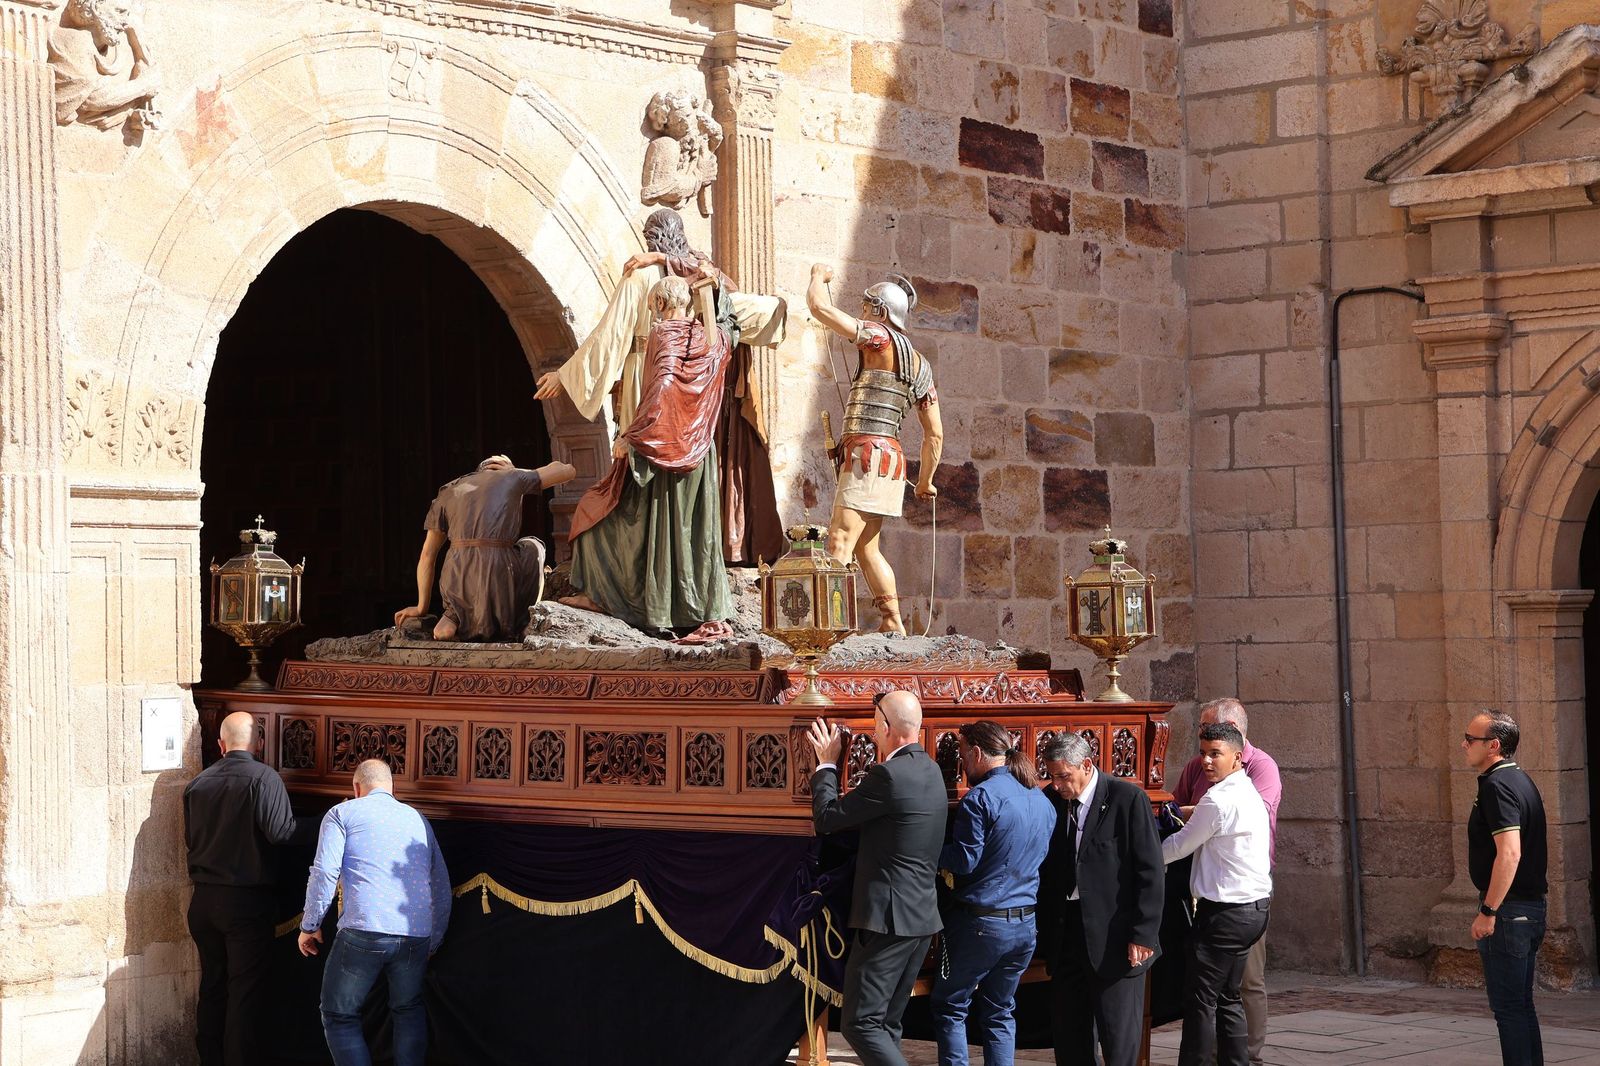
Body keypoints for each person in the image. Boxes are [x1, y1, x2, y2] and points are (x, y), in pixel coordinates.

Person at [534, 208, 786, 564]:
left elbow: (611, 333)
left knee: (644, 462)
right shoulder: (699, 275)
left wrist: (566, 375)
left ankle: (648, 556)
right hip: (691, 390)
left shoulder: (642, 277)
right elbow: (741, 312)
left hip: (649, 375)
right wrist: (780, 310)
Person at [561, 275, 735, 641]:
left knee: (600, 510)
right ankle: (691, 608)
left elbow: (664, 384)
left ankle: (612, 597)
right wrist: (712, 288)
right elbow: (726, 333)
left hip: (663, 445)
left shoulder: (663, 333)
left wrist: (633, 437)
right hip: (699, 449)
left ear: (656, 305)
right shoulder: (714, 337)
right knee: (691, 531)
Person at [807, 690, 947, 1066]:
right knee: (886, 1023)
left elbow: (828, 819)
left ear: (886, 726)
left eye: (874, 722)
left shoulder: (889, 775)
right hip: (920, 920)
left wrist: (827, 765)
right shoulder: (931, 769)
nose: (872, 730)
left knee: (860, 1024)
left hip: (887, 921)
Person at [806, 265, 943, 635]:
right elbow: (935, 435)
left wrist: (818, 276)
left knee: (838, 540)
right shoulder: (920, 366)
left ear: (880, 312)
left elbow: (819, 309)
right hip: (891, 461)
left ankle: (829, 628)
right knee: (867, 547)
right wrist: (925, 481)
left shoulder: (878, 337)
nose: (862, 312)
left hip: (868, 455)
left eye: (867, 306)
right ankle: (892, 620)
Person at [299, 759, 452, 1066]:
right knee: (408, 1009)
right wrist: (432, 941)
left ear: (356, 788)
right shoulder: (418, 819)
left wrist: (311, 923)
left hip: (363, 929)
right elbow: (440, 887)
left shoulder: (342, 813)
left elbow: (325, 873)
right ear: (392, 788)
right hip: (415, 933)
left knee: (339, 1014)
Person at [931, 721, 1055, 1066]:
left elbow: (964, 862)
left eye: (962, 754)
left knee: (950, 1005)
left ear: (977, 753)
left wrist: (927, 851)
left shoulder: (981, 798)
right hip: (1025, 925)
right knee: (1000, 1011)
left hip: (983, 924)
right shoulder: (1039, 798)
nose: (962, 763)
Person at [1037, 733, 1165, 1066]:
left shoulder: (1127, 799)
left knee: (1118, 1040)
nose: (1058, 784)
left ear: (1087, 765)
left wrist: (1144, 934)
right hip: (1067, 936)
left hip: (1115, 939)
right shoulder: (1052, 800)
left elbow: (1150, 871)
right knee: (1070, 1038)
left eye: (1064, 776)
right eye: (1051, 775)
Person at [183, 710, 297, 1066]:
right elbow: (281, 833)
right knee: (244, 995)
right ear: (259, 743)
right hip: (245, 903)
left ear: (220, 745)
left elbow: (190, 839)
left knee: (213, 987)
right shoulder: (264, 778)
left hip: (203, 901)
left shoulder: (197, 784)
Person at [1171, 698, 1280, 1065]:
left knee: (1201, 999)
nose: (1205, 761)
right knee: (1228, 996)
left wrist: (1138, 854)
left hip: (1227, 914)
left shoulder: (1219, 799)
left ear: (1237, 757)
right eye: (1202, 753)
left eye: (1215, 754)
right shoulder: (1245, 790)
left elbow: (1177, 847)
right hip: (1252, 909)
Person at [393, 454, 576, 642]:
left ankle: (450, 621)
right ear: (502, 468)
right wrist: (515, 471)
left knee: (454, 613)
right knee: (533, 546)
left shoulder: (447, 490)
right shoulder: (511, 477)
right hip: (498, 572)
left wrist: (420, 607)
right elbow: (567, 470)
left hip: (457, 576)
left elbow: (427, 555)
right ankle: (523, 622)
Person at [1463, 710, 1548, 1066]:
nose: (1463, 745)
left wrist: (1489, 911)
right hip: (1527, 910)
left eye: (1470, 740)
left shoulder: (1498, 786)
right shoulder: (1519, 780)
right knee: (1520, 1005)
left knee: (1509, 1009)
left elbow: (1510, 853)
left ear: (1493, 745)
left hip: (1509, 914)